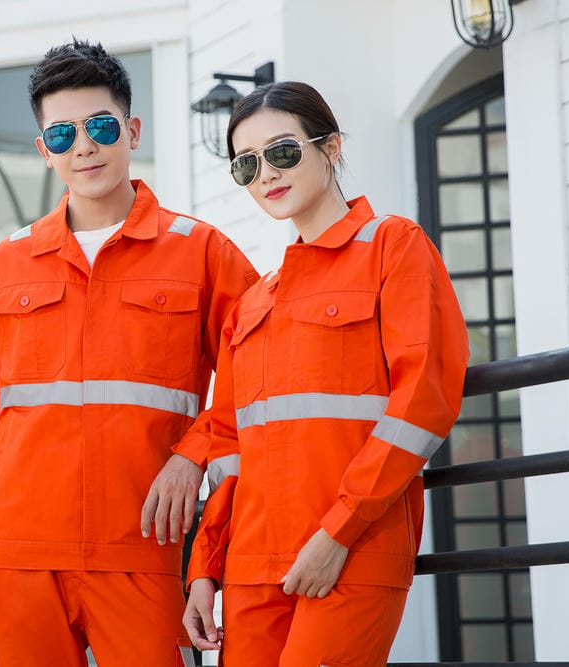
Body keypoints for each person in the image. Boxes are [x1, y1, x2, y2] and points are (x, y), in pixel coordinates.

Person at [0, 39, 257, 667]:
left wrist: (194, 454)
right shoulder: (1, 268)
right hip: (21, 557)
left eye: (100, 126)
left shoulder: (203, 253)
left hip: (147, 548)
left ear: (132, 130)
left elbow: (260, 378)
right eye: (62, 134)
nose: (84, 147)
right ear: (43, 150)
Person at [182, 81, 470, 667]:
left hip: (351, 552)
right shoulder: (254, 303)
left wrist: (339, 531)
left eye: (282, 151)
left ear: (331, 147)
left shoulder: (393, 246)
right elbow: (227, 445)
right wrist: (205, 569)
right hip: (250, 567)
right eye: (246, 164)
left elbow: (424, 398)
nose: (266, 173)